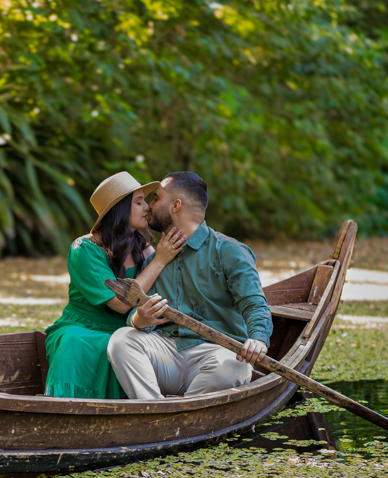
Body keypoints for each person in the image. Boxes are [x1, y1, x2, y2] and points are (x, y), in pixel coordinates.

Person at [106, 171, 272, 399]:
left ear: (175, 206)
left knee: (236, 366)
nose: (149, 206)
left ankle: (182, 412)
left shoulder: (230, 251)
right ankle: (153, 411)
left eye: (156, 198)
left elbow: (255, 304)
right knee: (121, 340)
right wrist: (138, 320)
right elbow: (137, 310)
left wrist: (258, 339)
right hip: (165, 351)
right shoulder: (154, 258)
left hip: (214, 354)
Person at [44, 171, 187, 399]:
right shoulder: (84, 249)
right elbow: (120, 304)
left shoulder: (143, 248)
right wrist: (159, 260)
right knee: (77, 343)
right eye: (138, 202)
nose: (147, 208)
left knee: (133, 345)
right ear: (119, 209)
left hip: (128, 328)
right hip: (84, 329)